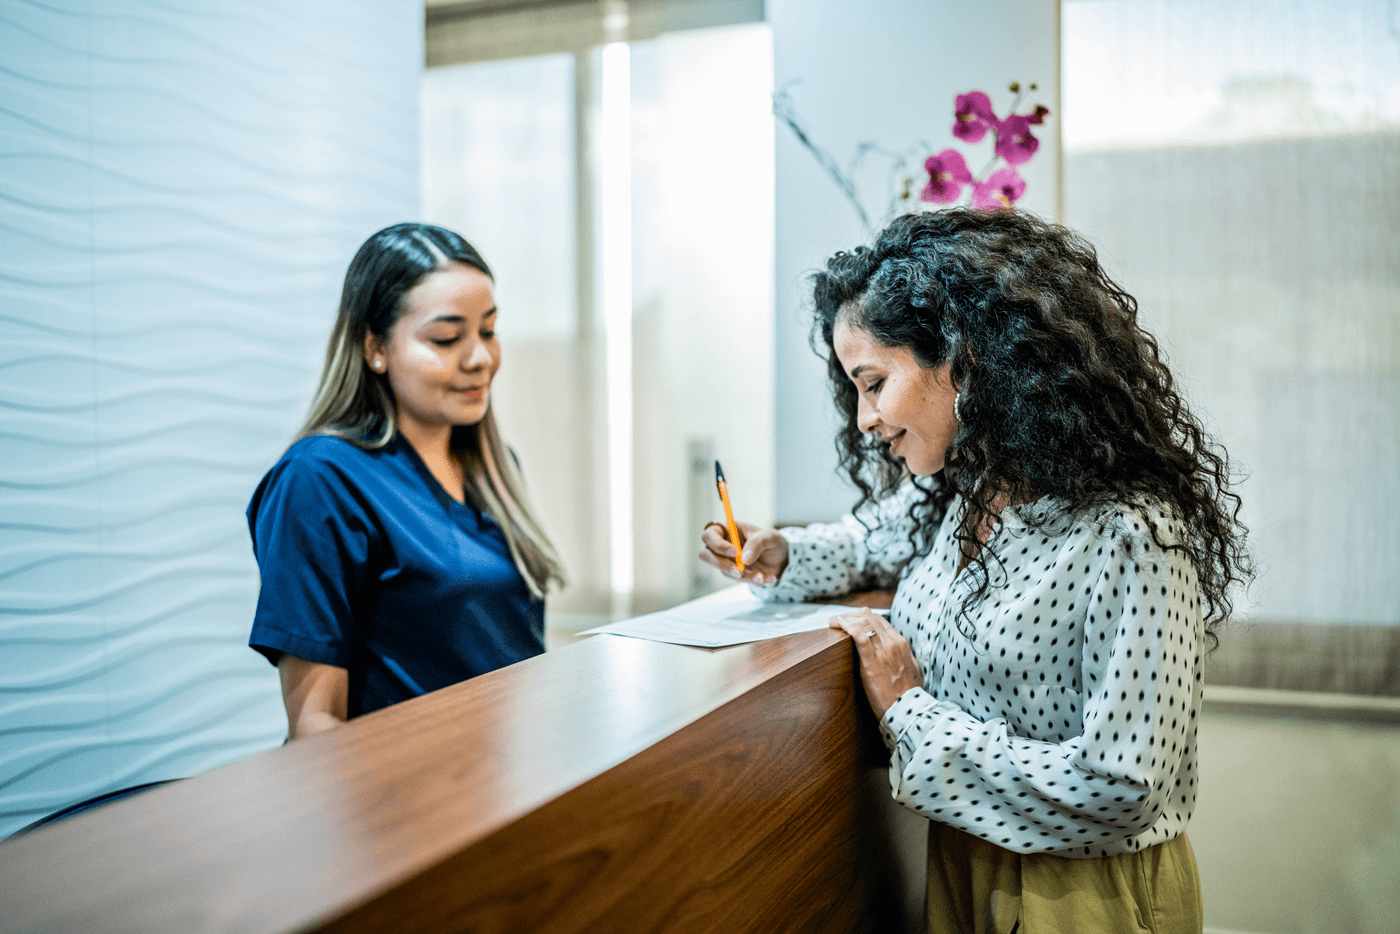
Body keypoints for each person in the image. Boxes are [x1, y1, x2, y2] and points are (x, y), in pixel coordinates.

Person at [701, 208, 1251, 933]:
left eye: (873, 383)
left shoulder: (1131, 532)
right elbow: (870, 540)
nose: (864, 420)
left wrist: (910, 714)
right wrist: (782, 552)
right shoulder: (966, 489)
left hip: (1084, 895)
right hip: (965, 861)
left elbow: (1126, 788)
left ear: (962, 360)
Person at [247, 223, 565, 739]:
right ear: (375, 347)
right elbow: (315, 725)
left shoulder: (495, 466)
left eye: (488, 331)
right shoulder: (319, 480)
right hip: (409, 803)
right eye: (446, 338)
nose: (480, 358)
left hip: (513, 779)